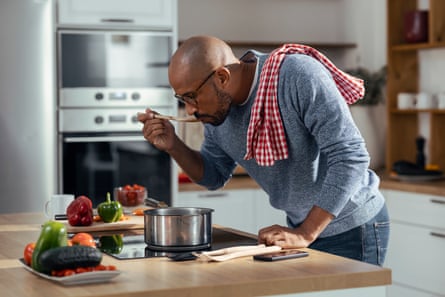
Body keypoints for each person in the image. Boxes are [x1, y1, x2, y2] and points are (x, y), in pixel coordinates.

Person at [138, 35, 390, 266]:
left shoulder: (297, 75)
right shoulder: (216, 113)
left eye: (192, 96)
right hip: (302, 231)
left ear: (222, 78)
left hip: (352, 226)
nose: (190, 110)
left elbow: (351, 157)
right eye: (182, 99)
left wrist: (305, 232)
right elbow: (213, 176)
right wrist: (173, 145)